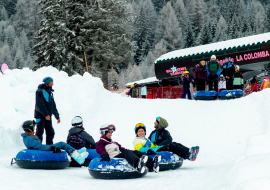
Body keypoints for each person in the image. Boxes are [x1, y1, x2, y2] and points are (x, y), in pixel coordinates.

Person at [96, 124, 160, 173]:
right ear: (103, 132)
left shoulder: (114, 142)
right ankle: (137, 165)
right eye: (109, 132)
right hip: (113, 158)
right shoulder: (101, 142)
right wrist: (104, 154)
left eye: (111, 132)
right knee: (126, 153)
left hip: (119, 155)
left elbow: (123, 149)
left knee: (136, 152)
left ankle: (152, 164)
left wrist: (134, 151)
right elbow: (100, 149)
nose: (110, 134)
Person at [21, 120, 88, 164]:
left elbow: (37, 146)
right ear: (30, 129)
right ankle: (77, 157)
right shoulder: (30, 138)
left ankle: (76, 152)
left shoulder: (27, 137)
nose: (34, 128)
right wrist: (52, 148)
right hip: (44, 149)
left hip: (42, 149)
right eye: (33, 127)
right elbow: (40, 147)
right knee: (62, 144)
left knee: (61, 144)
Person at [35, 77, 60, 145]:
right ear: (48, 83)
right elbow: (40, 105)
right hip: (40, 116)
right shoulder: (40, 91)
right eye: (52, 82)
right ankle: (37, 146)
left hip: (48, 116)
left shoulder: (50, 92)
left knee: (50, 132)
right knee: (39, 132)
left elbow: (53, 106)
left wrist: (57, 116)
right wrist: (46, 115)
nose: (53, 84)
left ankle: (49, 146)